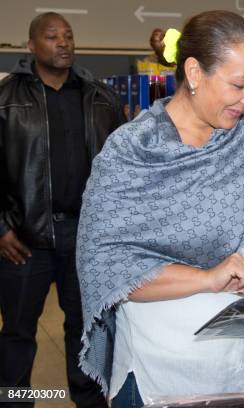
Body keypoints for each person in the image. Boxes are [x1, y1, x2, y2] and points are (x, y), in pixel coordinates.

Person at [76, 10, 244, 407]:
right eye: (239, 84)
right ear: (195, 72)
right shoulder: (132, 153)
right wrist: (206, 277)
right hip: (169, 375)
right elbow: (108, 267)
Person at [0, 12, 124, 408]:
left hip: (87, 238)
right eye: (52, 36)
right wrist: (1, 227)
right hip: (24, 240)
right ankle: (16, 402)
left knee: (85, 332)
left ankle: (88, 402)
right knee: (17, 335)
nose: (63, 43)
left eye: (68, 36)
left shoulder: (100, 97)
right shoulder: (7, 98)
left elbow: (123, 168)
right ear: (31, 46)